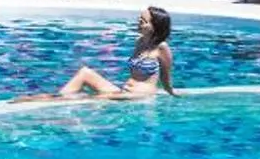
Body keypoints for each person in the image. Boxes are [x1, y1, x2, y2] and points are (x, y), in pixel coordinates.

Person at [35, 6, 176, 101]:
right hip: (124, 92)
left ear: (154, 26)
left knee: (89, 100)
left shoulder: (162, 47)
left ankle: (57, 100)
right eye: (139, 19)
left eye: (143, 21)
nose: (138, 23)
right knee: (85, 72)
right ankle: (58, 98)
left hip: (140, 96)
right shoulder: (139, 41)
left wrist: (172, 93)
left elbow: (165, 78)